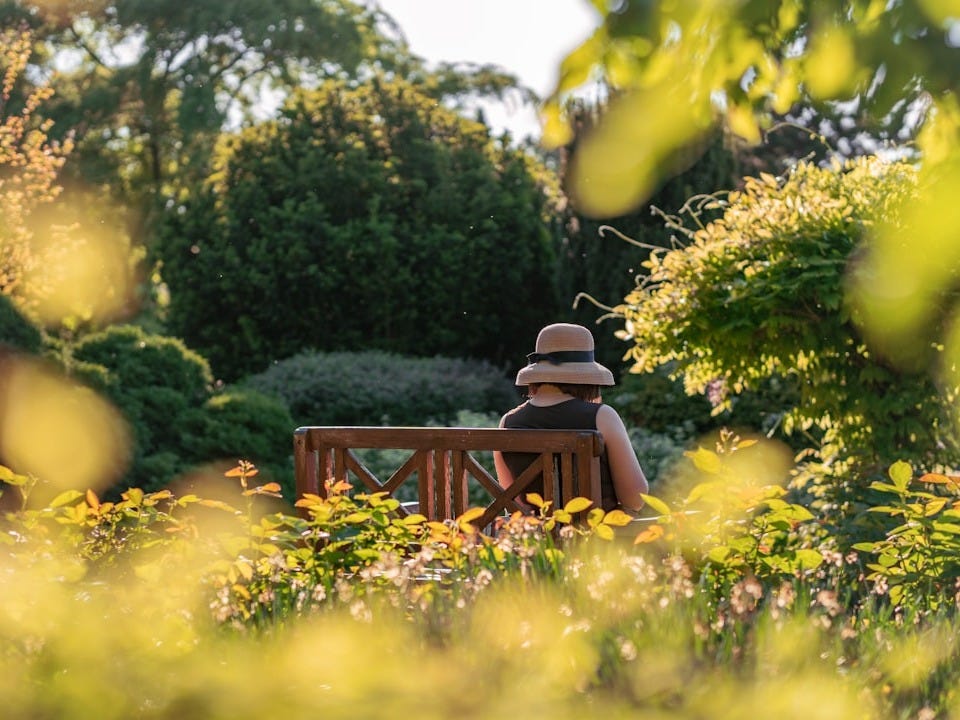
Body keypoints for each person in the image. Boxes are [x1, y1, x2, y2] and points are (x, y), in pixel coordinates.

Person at [493, 323, 648, 512]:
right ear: (587, 376)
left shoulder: (508, 422)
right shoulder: (601, 416)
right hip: (596, 538)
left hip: (539, 539)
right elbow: (635, 499)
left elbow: (513, 503)